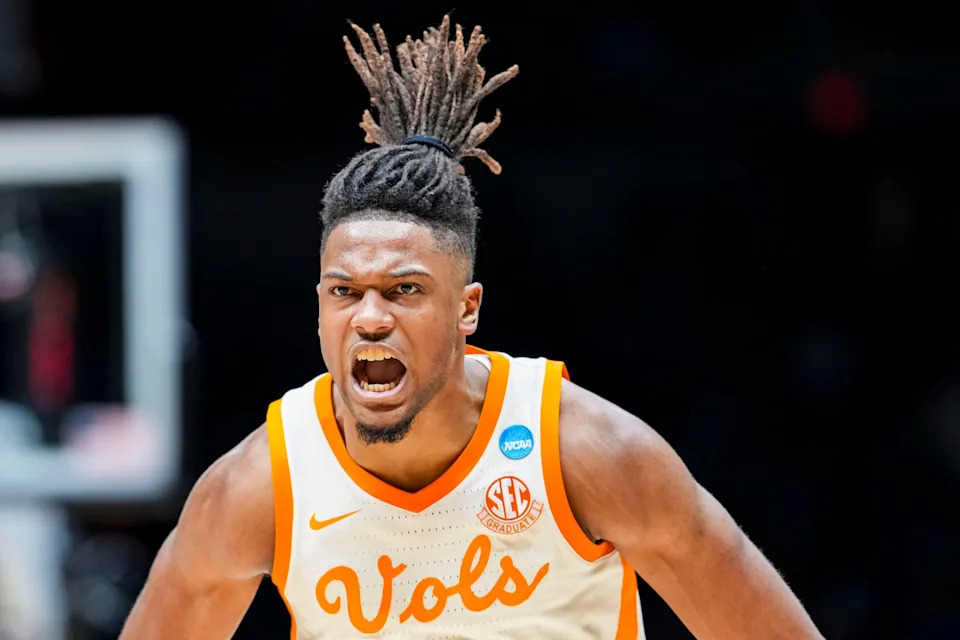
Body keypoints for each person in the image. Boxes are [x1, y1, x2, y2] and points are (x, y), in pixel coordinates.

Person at [121, 16, 824, 639]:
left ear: (467, 309)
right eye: (345, 292)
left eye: (404, 290)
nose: (370, 318)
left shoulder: (589, 453)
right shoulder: (260, 486)